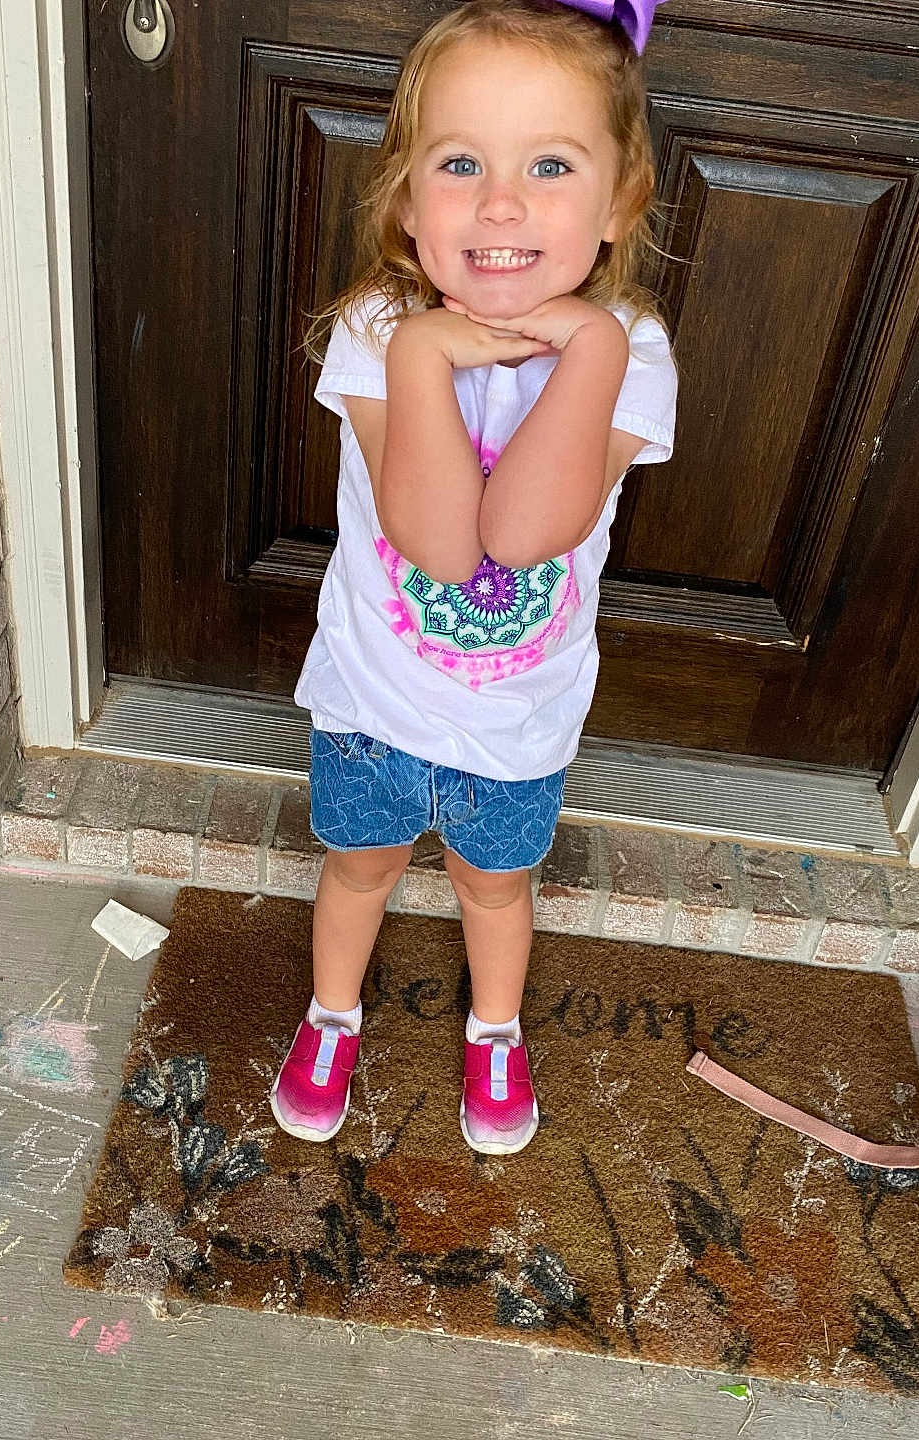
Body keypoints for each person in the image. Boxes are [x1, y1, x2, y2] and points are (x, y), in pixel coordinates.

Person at [270, 0, 677, 1156]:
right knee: (358, 869)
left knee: (495, 888)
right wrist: (424, 349)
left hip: (518, 722)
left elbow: (521, 536)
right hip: (371, 704)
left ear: (619, 201)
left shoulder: (632, 353)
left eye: (550, 165)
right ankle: (331, 1011)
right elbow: (440, 544)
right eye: (461, 163)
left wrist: (588, 343)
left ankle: (494, 1028)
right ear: (407, 199)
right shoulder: (377, 328)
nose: (502, 204)